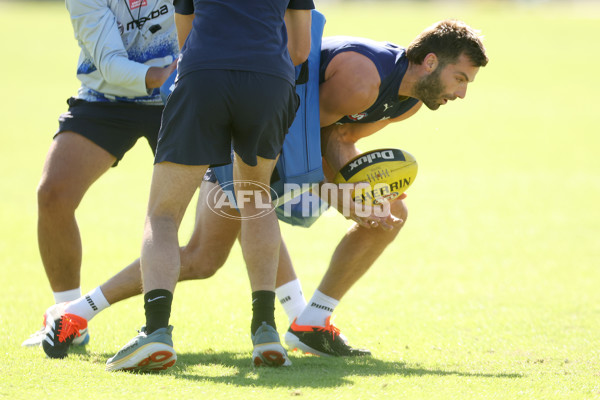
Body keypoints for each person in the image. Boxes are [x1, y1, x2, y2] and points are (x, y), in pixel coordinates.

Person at [36, 19, 488, 362]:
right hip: (247, 131)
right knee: (200, 256)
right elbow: (296, 144)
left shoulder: (409, 100)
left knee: (389, 215)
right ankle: (74, 312)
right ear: (431, 62)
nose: (462, 94)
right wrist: (341, 197)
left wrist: (362, 192)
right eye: (461, 79)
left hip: (282, 140)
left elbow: (339, 140)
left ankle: (311, 320)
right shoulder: (362, 80)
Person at [39, 0, 315, 372]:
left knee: (163, 215)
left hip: (204, 79)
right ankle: (266, 329)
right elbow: (300, 50)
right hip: (269, 79)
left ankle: (155, 332)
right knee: (256, 198)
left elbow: (187, 41)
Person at [22, 0, 179, 348]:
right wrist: (163, 74)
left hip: (181, 98)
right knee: (53, 194)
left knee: (234, 196)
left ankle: (294, 314)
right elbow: (108, 63)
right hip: (107, 98)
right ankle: (67, 316)